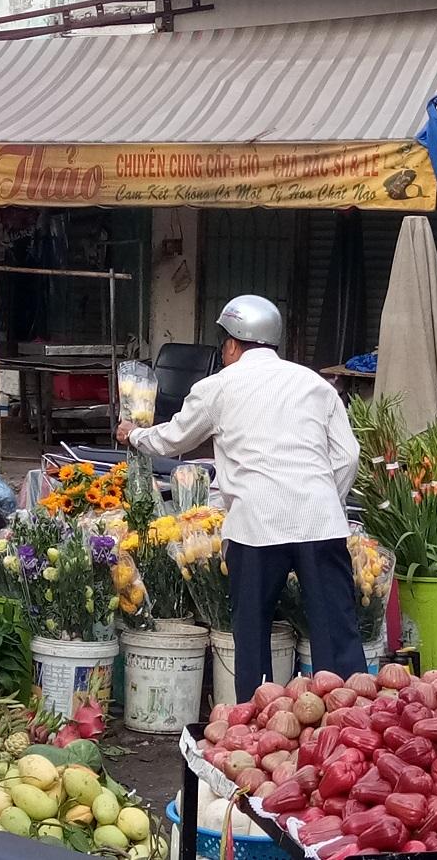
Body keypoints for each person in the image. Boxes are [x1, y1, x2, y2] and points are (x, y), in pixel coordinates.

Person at [116, 294, 365, 701]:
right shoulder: (315, 384)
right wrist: (321, 499)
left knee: (252, 631)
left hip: (255, 527)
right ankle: (349, 718)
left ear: (231, 344)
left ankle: (259, 720)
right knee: (336, 630)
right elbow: (347, 455)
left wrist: (135, 434)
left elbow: (175, 436)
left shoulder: (216, 387)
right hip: (319, 524)